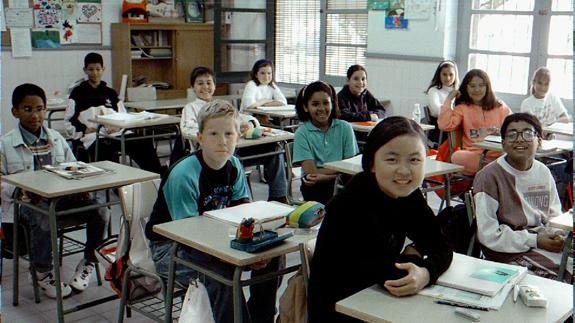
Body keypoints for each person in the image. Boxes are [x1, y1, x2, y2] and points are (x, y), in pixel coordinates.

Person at [145, 100, 282, 323]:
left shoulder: (234, 166)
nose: (222, 141)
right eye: (213, 134)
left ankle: (260, 317)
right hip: (171, 248)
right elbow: (188, 237)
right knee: (222, 275)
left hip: (215, 239)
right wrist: (237, 258)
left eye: (229, 133)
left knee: (271, 256)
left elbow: (243, 215)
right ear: (199, 138)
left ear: (239, 136)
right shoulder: (184, 175)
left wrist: (252, 250)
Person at [307, 117, 453, 322]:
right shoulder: (352, 203)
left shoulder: (408, 194)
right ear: (372, 164)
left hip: (378, 301)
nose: (404, 171)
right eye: (392, 159)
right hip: (341, 310)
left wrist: (426, 272)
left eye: (414, 160)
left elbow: (441, 244)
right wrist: (417, 257)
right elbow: (391, 275)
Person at [0, 83, 109, 298]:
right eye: (27, 109)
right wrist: (23, 189)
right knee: (43, 216)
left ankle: (88, 262)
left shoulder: (57, 139)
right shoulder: (4, 144)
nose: (35, 115)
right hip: (24, 204)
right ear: (15, 111)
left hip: (60, 199)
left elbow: (73, 166)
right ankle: (42, 272)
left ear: (45, 109)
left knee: (101, 210)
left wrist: (79, 186)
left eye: (39, 109)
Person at [474, 113, 570, 281]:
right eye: (511, 135)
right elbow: (488, 235)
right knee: (564, 277)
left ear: (539, 141)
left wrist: (557, 234)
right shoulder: (489, 177)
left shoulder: (543, 171)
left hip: (540, 238)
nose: (519, 139)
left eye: (527, 133)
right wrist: (536, 240)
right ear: (503, 143)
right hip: (507, 249)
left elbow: (553, 214)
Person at [178, 66, 289, 203]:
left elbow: (244, 117)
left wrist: (249, 124)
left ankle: (278, 196)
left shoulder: (223, 106)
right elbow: (187, 130)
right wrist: (215, 131)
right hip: (211, 155)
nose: (205, 87)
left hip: (235, 148)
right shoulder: (190, 108)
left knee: (274, 148)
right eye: (200, 83)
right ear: (193, 87)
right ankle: (242, 200)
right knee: (234, 160)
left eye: (209, 83)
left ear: (214, 85)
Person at [64, 52, 163, 174]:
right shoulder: (77, 93)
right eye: (91, 69)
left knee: (142, 142)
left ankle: (156, 176)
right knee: (106, 149)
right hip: (94, 136)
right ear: (85, 70)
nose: (95, 73)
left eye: (98, 69)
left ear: (103, 69)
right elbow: (69, 121)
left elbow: (123, 114)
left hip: (116, 132)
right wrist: (84, 129)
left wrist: (118, 125)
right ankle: (119, 185)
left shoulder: (110, 92)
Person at [292, 81, 359, 204]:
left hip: (343, 181)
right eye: (315, 104)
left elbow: (351, 168)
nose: (322, 108)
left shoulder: (345, 128)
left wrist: (327, 176)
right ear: (306, 107)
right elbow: (311, 173)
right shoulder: (302, 133)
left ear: (332, 104)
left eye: (326, 103)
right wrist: (339, 171)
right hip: (315, 186)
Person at [438, 69, 512, 175]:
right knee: (457, 156)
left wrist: (500, 133)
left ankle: (493, 169)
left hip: (499, 154)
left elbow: (513, 128)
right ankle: (495, 170)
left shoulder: (500, 106)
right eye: (472, 86)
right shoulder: (462, 108)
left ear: (487, 87)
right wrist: (449, 99)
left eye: (481, 85)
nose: (477, 89)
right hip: (475, 156)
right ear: (466, 88)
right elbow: (444, 125)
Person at [425, 60, 459, 143]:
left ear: (455, 76)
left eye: (451, 75)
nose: (448, 78)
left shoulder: (457, 91)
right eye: (444, 74)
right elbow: (437, 110)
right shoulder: (434, 90)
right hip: (440, 129)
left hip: (454, 126)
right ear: (439, 75)